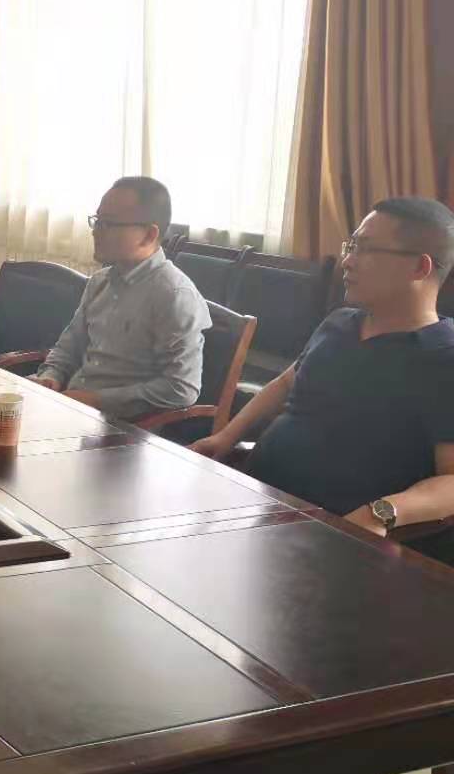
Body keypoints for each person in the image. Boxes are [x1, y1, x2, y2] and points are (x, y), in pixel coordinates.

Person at [193, 197, 454, 550]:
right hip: (257, 504)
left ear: (419, 268)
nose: (348, 260)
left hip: (336, 538)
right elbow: (286, 382)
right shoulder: (339, 322)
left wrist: (382, 513)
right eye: (352, 246)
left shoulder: (443, 357)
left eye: (366, 249)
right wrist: (226, 436)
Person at [34, 177, 209, 420]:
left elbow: (182, 389)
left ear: (149, 234)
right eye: (97, 221)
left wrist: (96, 400)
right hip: (74, 411)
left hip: (125, 429)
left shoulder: (174, 295)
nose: (96, 231)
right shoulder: (99, 282)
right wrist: (51, 376)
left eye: (108, 224)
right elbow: (68, 348)